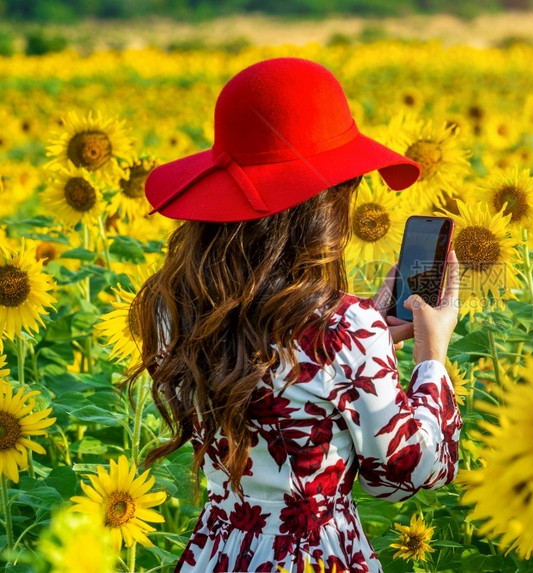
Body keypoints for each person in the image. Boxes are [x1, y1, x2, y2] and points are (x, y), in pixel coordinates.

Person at [127, 57, 463, 573]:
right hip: (313, 553)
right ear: (325, 205)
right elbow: (404, 473)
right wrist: (430, 355)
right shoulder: (346, 333)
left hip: (219, 549)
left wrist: (364, 345)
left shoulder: (177, 305)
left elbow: (277, 356)